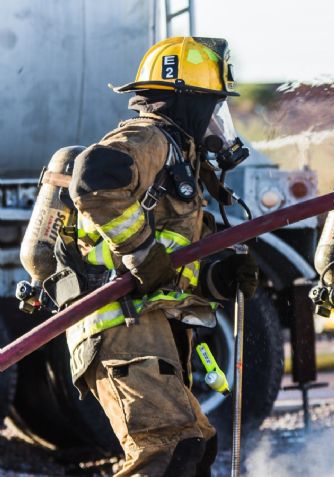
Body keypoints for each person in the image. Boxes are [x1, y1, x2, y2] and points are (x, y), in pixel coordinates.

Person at [63, 36, 257, 476]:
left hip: (149, 326)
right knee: (167, 452)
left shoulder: (179, 158)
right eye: (213, 107)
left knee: (193, 448)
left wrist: (217, 277)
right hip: (119, 325)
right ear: (186, 101)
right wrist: (141, 252)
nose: (216, 123)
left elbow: (172, 263)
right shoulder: (147, 137)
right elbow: (94, 180)